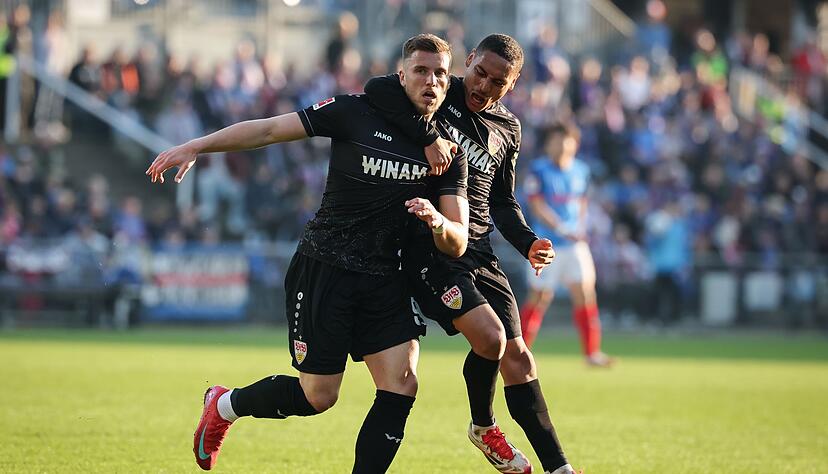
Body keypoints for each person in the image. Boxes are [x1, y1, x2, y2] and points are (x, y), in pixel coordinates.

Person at [146, 34, 469, 473]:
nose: (431, 80)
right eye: (421, 70)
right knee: (319, 396)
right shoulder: (355, 111)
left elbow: (458, 239)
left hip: (385, 278)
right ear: (402, 75)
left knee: (403, 384)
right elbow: (268, 129)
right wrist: (197, 145)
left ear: (449, 83)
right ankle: (224, 405)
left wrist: (436, 222)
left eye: (440, 74)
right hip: (325, 267)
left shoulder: (448, 152)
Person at [364, 34, 575, 474]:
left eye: (498, 82)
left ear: (512, 84)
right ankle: (484, 427)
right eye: (479, 73)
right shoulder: (439, 90)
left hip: (480, 251)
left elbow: (502, 201)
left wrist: (529, 241)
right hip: (432, 244)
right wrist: (427, 135)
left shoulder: (508, 129)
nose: (483, 86)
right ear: (470, 61)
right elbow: (378, 89)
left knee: (519, 358)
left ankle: (560, 469)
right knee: (492, 339)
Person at [519, 123, 614, 367]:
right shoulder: (539, 170)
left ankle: (592, 353)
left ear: (575, 143)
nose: (561, 145)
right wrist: (562, 228)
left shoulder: (581, 170)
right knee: (539, 297)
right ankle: (519, 352)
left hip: (575, 245)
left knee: (585, 293)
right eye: (556, 140)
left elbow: (581, 202)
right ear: (548, 143)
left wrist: (580, 227)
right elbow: (537, 205)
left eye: (566, 140)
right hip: (547, 244)